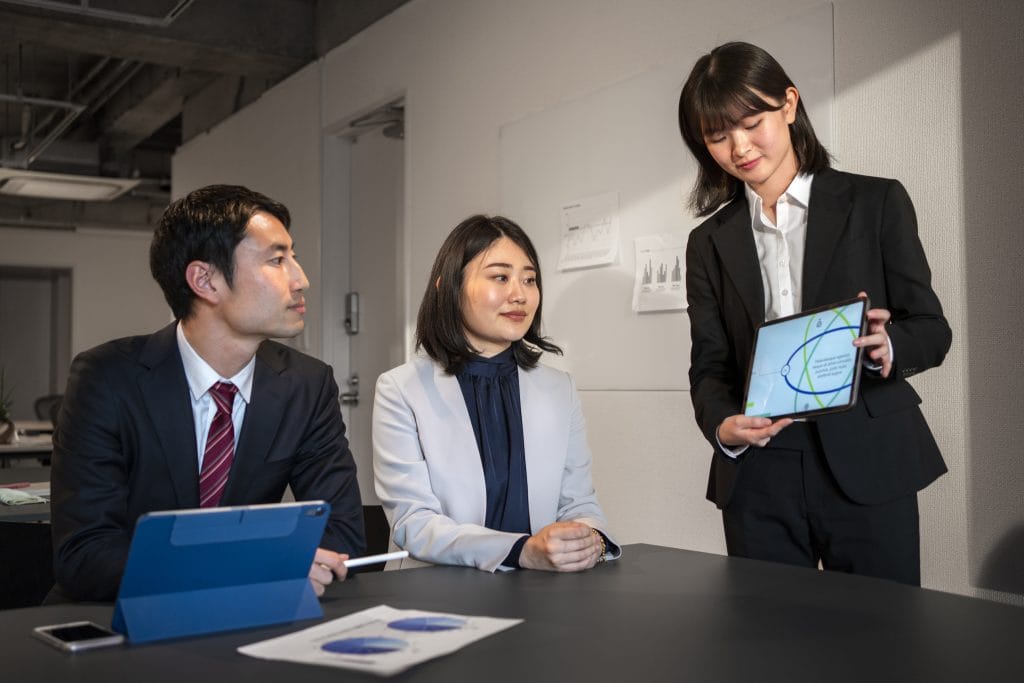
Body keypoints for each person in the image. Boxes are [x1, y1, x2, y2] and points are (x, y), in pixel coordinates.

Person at [678, 42, 950, 585]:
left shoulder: (875, 203)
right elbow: (709, 364)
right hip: (760, 468)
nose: (739, 147)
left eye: (751, 123)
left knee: (882, 629)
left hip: (868, 456)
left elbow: (931, 329)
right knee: (769, 631)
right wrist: (722, 425)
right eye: (717, 136)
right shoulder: (707, 242)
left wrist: (888, 346)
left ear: (789, 104)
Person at [50, 184, 365, 602]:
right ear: (205, 280)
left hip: (252, 615)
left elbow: (342, 535)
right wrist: (247, 568)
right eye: (277, 260)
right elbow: (85, 554)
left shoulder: (306, 384)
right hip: (121, 615)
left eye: (294, 257)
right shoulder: (107, 378)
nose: (301, 279)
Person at [373, 214, 618, 572]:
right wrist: (520, 550)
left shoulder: (559, 388)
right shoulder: (400, 389)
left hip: (542, 588)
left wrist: (590, 540)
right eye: (500, 277)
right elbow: (414, 523)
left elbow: (579, 504)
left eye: (529, 279)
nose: (519, 295)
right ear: (449, 287)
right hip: (438, 590)